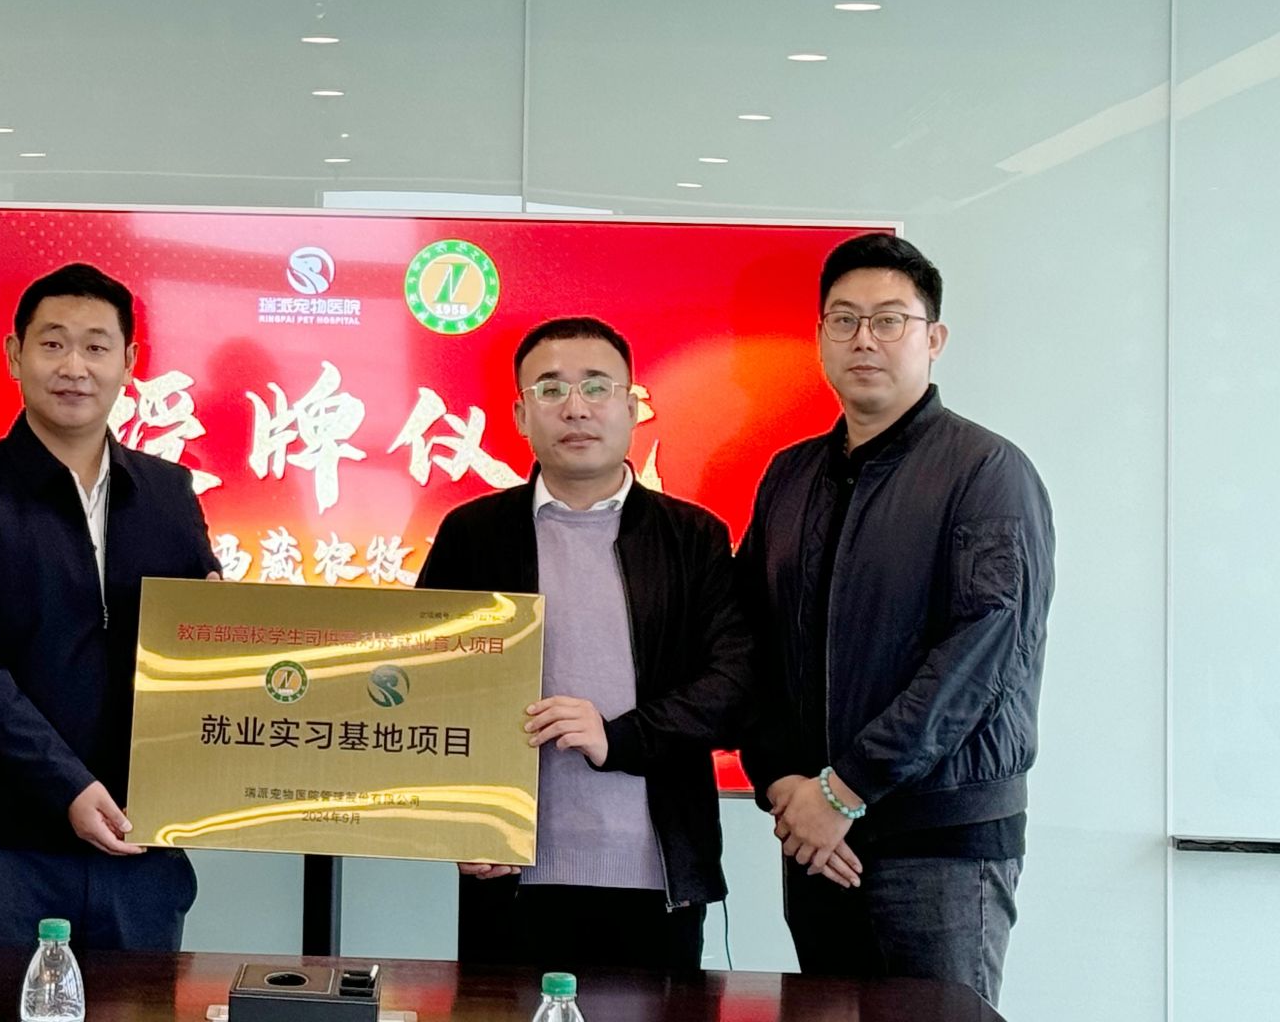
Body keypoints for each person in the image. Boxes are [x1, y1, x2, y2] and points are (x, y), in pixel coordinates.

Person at [736, 233, 1054, 1007]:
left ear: (933, 339)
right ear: (820, 337)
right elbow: (748, 641)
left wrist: (847, 788)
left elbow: (981, 652)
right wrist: (782, 783)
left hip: (940, 843)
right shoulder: (790, 476)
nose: (864, 339)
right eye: (844, 320)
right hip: (816, 839)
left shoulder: (986, 471)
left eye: (889, 320)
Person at [417, 316, 753, 974]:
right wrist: (461, 819)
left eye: (597, 387)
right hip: (509, 870)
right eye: (550, 389)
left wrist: (617, 737)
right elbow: (426, 684)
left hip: (655, 872)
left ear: (632, 407)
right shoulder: (473, 534)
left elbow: (734, 688)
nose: (575, 407)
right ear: (521, 415)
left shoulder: (694, 538)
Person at [0, 262, 219, 950]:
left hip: (141, 848)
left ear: (129, 362)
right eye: (52, 344)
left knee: (136, 1006)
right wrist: (69, 787)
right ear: (14, 355)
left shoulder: (169, 494)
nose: (74, 367)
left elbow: (197, 649)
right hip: (3, 852)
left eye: (96, 346)